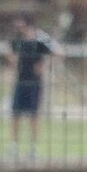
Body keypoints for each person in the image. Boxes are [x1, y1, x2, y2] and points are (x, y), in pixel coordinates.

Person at [9, 16, 55, 155]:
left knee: (34, 115)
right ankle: (14, 145)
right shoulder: (18, 40)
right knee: (16, 113)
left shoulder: (41, 40)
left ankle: (34, 146)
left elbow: (58, 52)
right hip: (21, 81)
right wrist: (14, 62)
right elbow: (10, 53)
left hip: (35, 82)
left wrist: (44, 66)